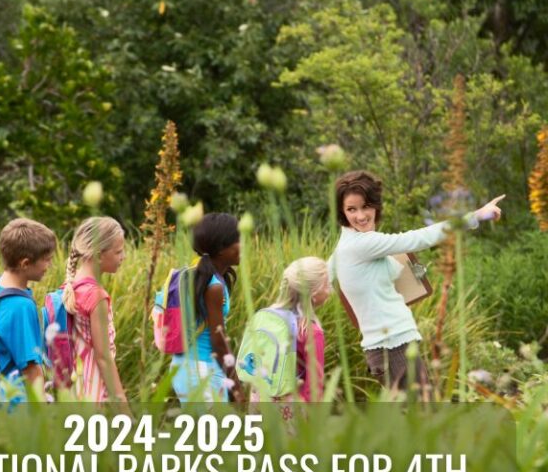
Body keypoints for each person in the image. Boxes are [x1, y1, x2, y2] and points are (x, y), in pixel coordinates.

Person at [329, 170, 504, 394]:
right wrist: (476, 216)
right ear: (343, 213)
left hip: (389, 346)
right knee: (426, 418)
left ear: (376, 205)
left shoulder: (347, 243)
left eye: (365, 206)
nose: (360, 215)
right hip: (393, 346)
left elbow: (324, 276)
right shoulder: (361, 244)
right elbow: (419, 238)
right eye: (351, 209)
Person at [172, 212, 246, 404]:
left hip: (183, 367)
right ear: (221, 249)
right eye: (239, 240)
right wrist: (236, 386)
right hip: (201, 371)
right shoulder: (213, 286)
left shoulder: (199, 276)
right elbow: (218, 341)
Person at [0, 218, 57, 402]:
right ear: (25, 264)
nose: (49, 266)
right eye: (46, 260)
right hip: (15, 405)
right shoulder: (20, 306)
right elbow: (31, 369)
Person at [63, 216, 129, 404]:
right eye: (118, 252)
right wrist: (123, 408)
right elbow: (104, 358)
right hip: (92, 391)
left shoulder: (69, 289)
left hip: (72, 388)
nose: (122, 257)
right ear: (99, 255)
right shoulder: (96, 296)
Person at [249, 257, 330, 403]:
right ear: (313, 292)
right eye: (326, 285)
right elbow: (314, 389)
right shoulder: (311, 332)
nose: (330, 290)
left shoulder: (266, 319)